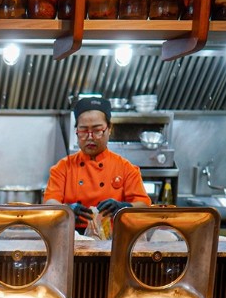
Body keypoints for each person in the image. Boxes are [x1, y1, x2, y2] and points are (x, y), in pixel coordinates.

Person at [44, 96, 151, 232]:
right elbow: (50, 202)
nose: (90, 137)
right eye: (83, 130)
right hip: (71, 237)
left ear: (109, 129)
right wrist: (67, 210)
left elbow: (143, 205)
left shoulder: (126, 168)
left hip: (113, 238)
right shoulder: (63, 167)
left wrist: (123, 207)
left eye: (97, 130)